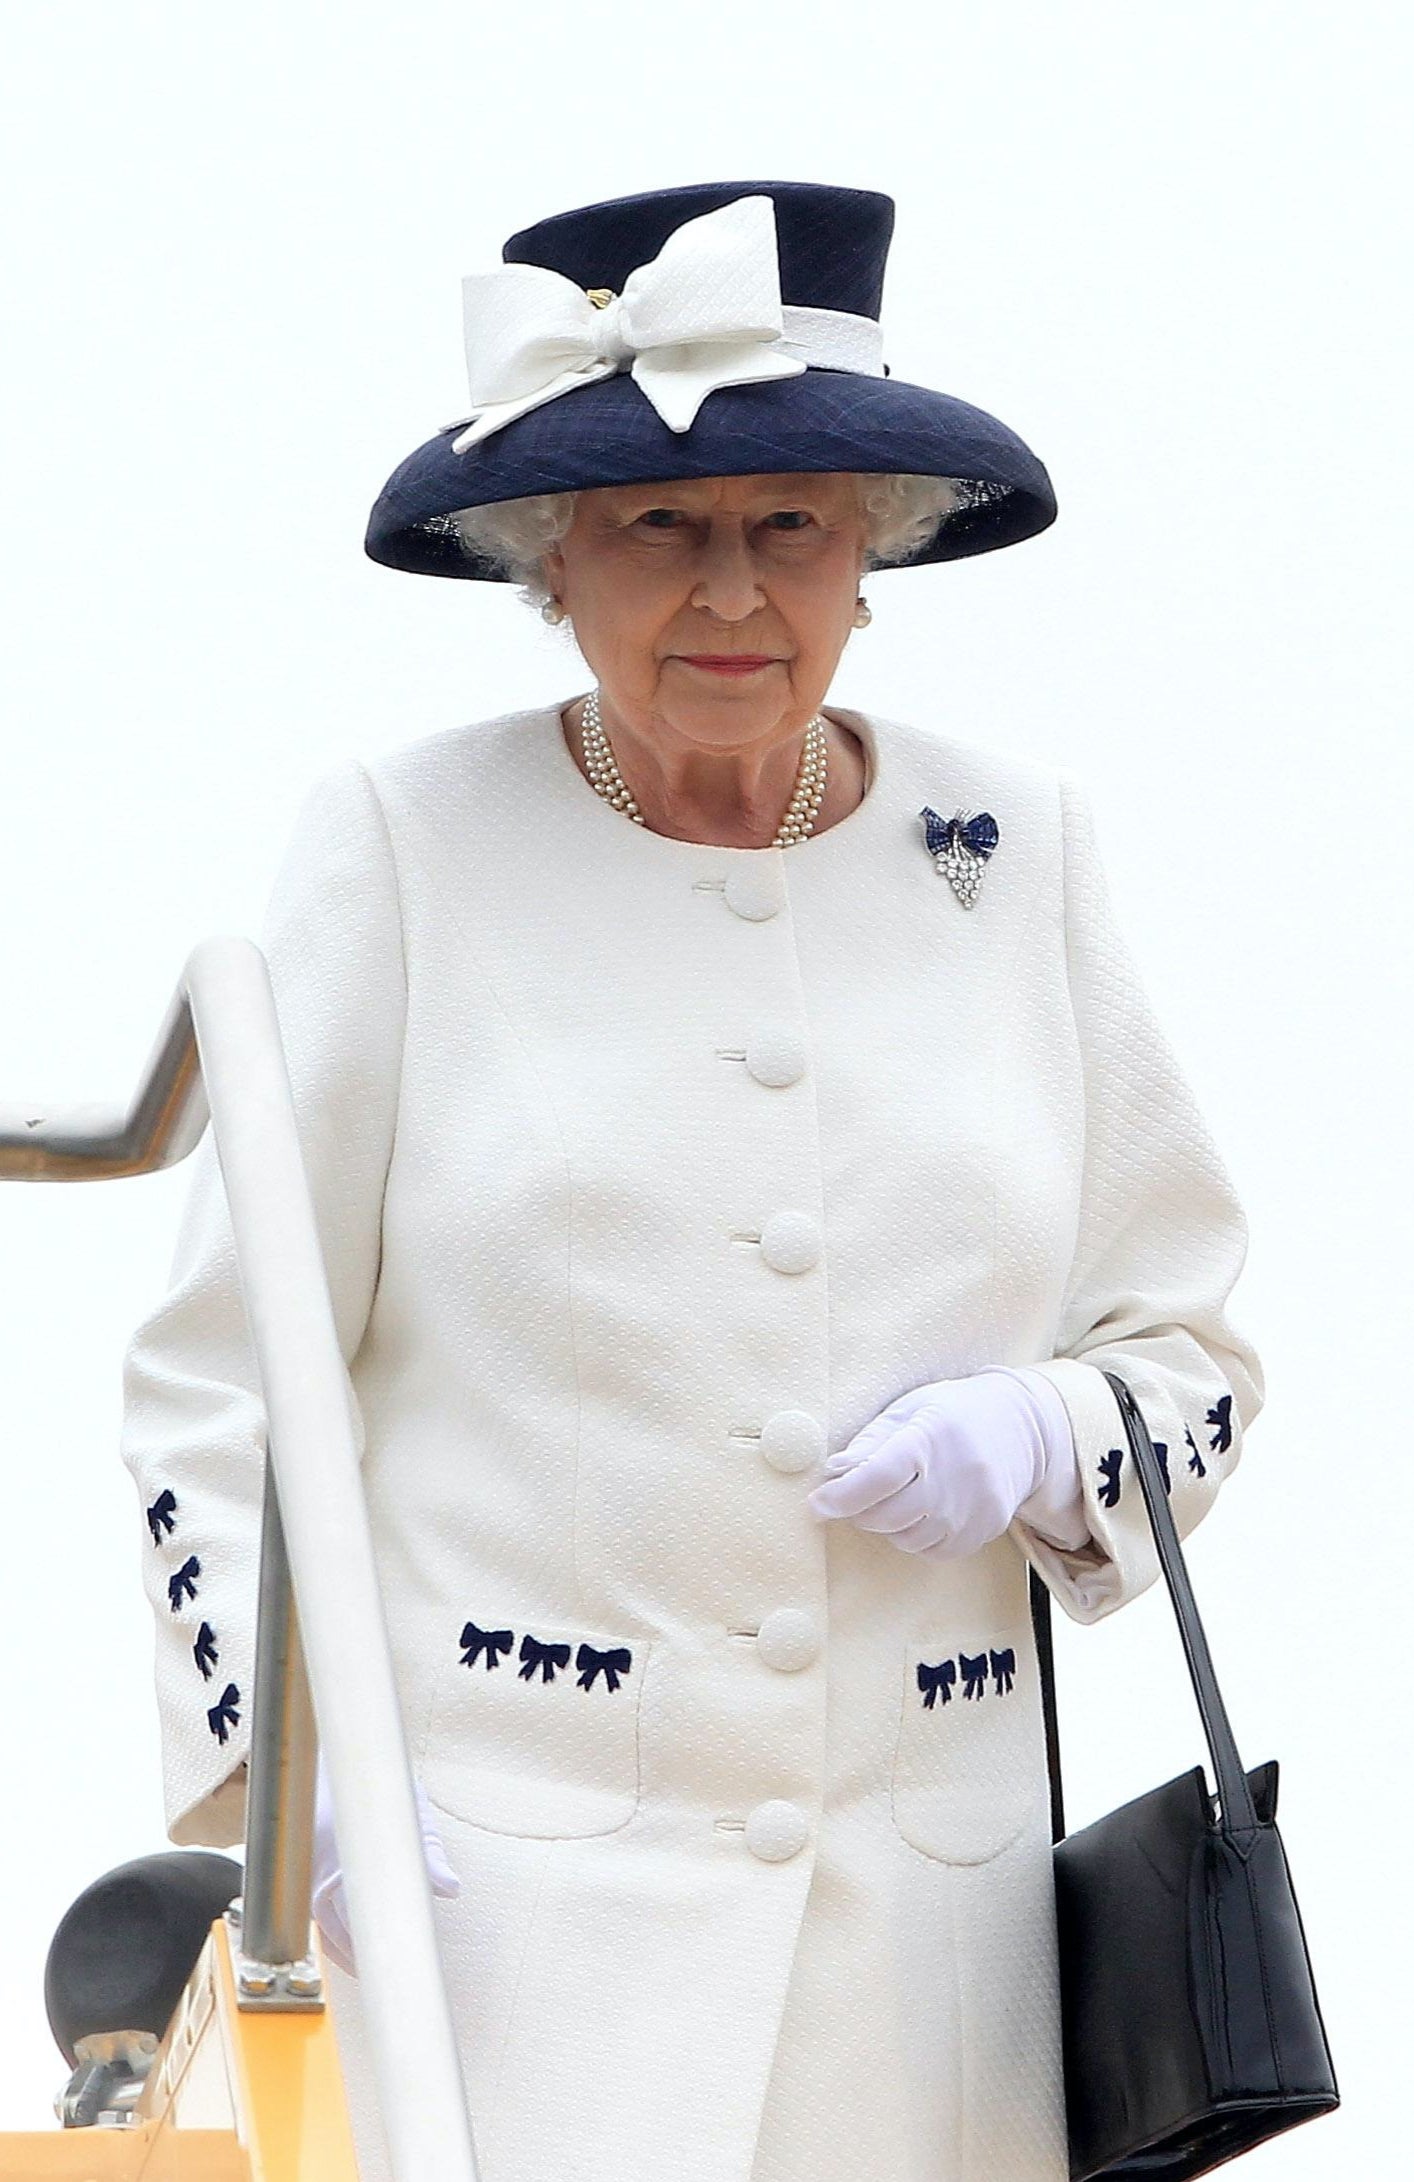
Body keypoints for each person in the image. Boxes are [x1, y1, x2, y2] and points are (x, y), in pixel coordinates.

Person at [119, 180, 1261, 2182]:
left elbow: (1198, 1363)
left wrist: (1048, 1429)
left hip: (937, 1983)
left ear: (874, 560)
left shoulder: (1021, 853)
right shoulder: (396, 847)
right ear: (550, 561)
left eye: (790, 527)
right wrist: (294, 1791)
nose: (732, 591)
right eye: (662, 528)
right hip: (509, 1957)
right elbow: (214, 1388)